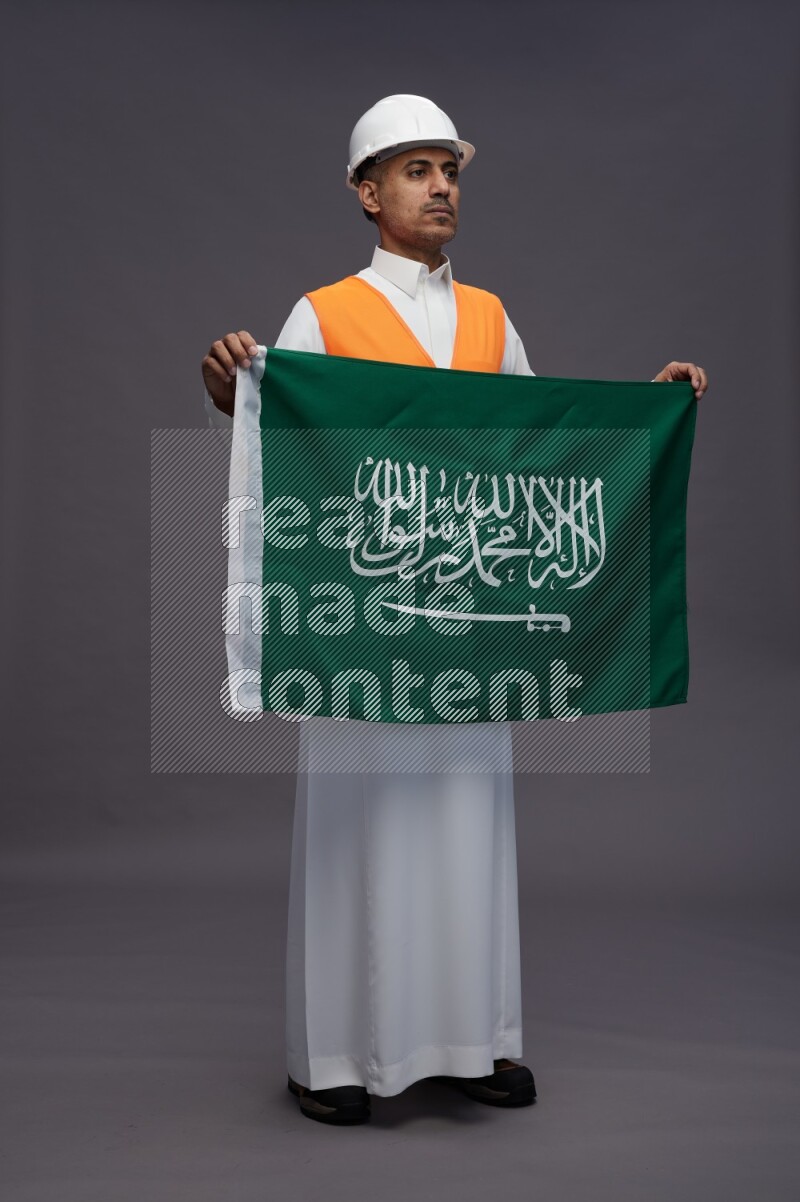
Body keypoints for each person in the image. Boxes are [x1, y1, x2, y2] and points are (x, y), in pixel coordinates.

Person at [201, 94, 708, 1126]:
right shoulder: (323, 312)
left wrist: (644, 415)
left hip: (471, 629)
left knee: (464, 824)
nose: (441, 187)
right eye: (416, 169)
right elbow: (285, 434)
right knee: (359, 824)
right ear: (365, 191)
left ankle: (475, 1041)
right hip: (369, 617)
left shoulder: (487, 318)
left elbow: (534, 454)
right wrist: (234, 396)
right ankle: (333, 1054)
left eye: (450, 170)